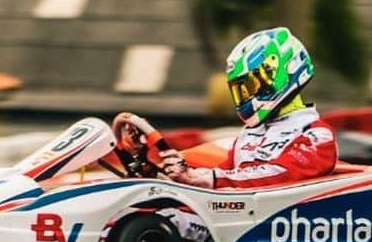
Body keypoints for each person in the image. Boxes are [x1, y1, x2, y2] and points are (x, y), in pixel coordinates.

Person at [115, 26, 336, 190]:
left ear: (282, 71)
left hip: (279, 226)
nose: (247, 96)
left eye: (251, 86)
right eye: (241, 90)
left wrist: (209, 178)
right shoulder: (252, 132)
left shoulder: (315, 134)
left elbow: (281, 174)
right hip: (236, 219)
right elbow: (227, 175)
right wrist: (160, 174)